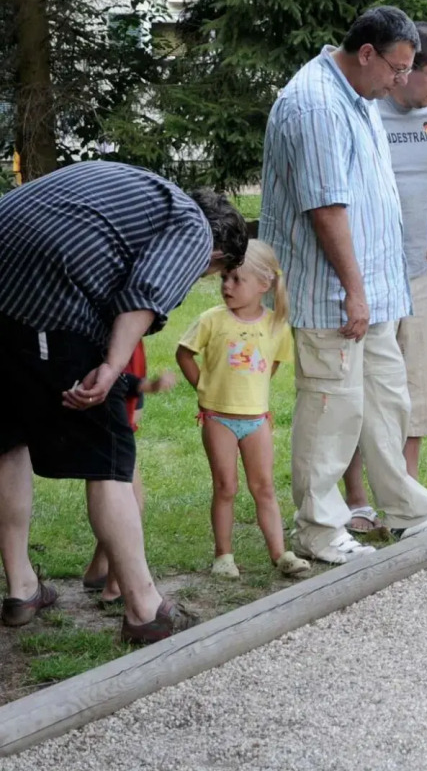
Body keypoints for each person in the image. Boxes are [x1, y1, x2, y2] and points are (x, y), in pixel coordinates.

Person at [0, 161, 247, 643]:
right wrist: (113, 367)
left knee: (8, 442)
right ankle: (144, 610)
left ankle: (22, 586)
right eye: (211, 271)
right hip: (46, 299)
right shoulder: (193, 226)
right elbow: (145, 292)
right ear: (217, 252)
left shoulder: (142, 198)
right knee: (109, 459)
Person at [260, 5, 427, 566]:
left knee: (387, 401)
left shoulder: (358, 96)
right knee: (330, 408)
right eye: (396, 67)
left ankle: (405, 510)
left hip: (377, 291)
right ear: (366, 53)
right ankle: (318, 528)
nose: (400, 80)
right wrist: (355, 290)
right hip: (334, 293)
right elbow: (327, 208)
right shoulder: (316, 103)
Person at [342, 21, 427, 533]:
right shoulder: (366, 109)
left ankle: (407, 493)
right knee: (357, 387)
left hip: (414, 272)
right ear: (406, 69)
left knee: (415, 385)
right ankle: (355, 501)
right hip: (368, 272)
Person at [176, 240, 311, 579]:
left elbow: (271, 365)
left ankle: (280, 553)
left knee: (264, 487)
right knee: (225, 487)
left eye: (237, 279)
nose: (227, 286)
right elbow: (183, 353)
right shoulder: (211, 320)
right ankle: (223, 556)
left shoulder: (277, 326)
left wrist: (253, 398)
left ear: (264, 285)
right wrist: (205, 389)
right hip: (217, 419)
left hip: (257, 421)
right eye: (224, 278)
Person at [81, 340, 176, 606]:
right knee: (129, 499)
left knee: (124, 492)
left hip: (121, 401)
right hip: (109, 405)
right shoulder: (116, 321)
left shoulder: (130, 328)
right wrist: (144, 386)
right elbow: (109, 365)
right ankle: (116, 585)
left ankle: (100, 570)